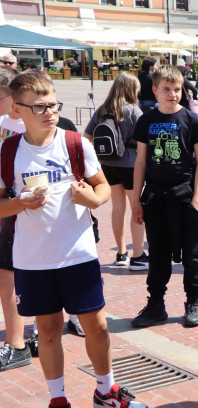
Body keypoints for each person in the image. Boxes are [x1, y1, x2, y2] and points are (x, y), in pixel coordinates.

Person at [0, 70, 149, 408]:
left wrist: (91, 198)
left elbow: (100, 190)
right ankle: (58, 403)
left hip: (78, 254)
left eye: (53, 103)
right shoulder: (7, 151)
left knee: (95, 326)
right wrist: (19, 203)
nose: (49, 111)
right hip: (33, 258)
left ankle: (106, 390)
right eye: (39, 106)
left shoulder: (74, 143)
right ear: (17, 110)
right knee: (48, 330)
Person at [130, 65, 198, 329]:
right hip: (155, 198)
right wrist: (136, 200)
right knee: (158, 254)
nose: (173, 94)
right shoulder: (146, 120)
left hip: (185, 196)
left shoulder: (191, 120)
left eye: (177, 89)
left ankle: (193, 301)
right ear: (155, 90)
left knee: (192, 256)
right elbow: (140, 162)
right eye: (166, 89)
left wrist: (197, 198)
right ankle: (156, 305)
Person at [84, 73, 148, 270]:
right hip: (130, 165)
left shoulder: (102, 110)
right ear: (131, 89)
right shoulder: (133, 111)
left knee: (117, 209)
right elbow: (145, 141)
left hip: (108, 165)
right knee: (137, 208)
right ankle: (138, 256)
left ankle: (121, 254)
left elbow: (86, 137)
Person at [0, 66, 31, 371]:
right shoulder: (3, 126)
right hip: (9, 209)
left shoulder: (46, 127)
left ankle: (21, 340)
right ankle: (16, 341)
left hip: (32, 212)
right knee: (7, 275)